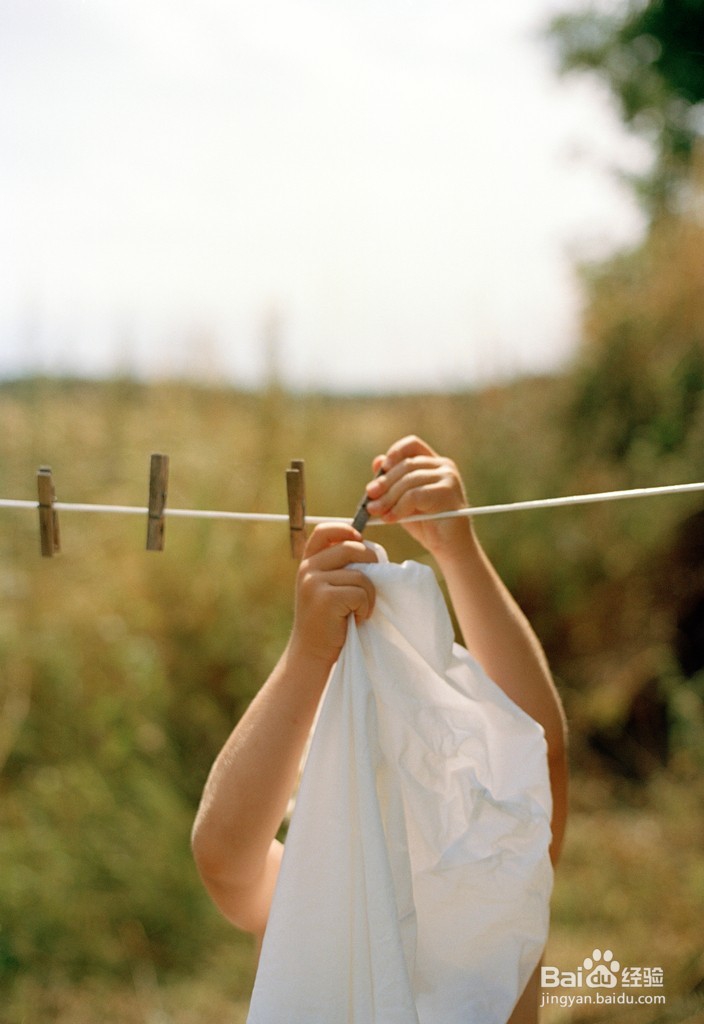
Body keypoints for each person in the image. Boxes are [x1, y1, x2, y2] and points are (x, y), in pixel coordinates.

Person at [191, 435, 568, 1023]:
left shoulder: (492, 890)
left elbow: (223, 859)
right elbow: (225, 857)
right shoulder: (336, 887)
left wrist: (458, 550)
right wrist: (307, 656)